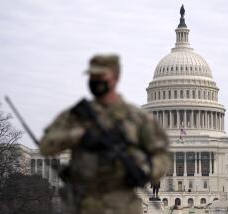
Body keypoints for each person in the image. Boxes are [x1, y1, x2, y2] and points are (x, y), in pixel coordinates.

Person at [40, 54, 169, 214]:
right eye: (93, 76)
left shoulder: (137, 118)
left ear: (116, 77)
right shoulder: (76, 115)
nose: (96, 80)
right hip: (81, 204)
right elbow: (45, 146)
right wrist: (79, 135)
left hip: (122, 206)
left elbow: (162, 156)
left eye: (101, 76)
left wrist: (145, 171)